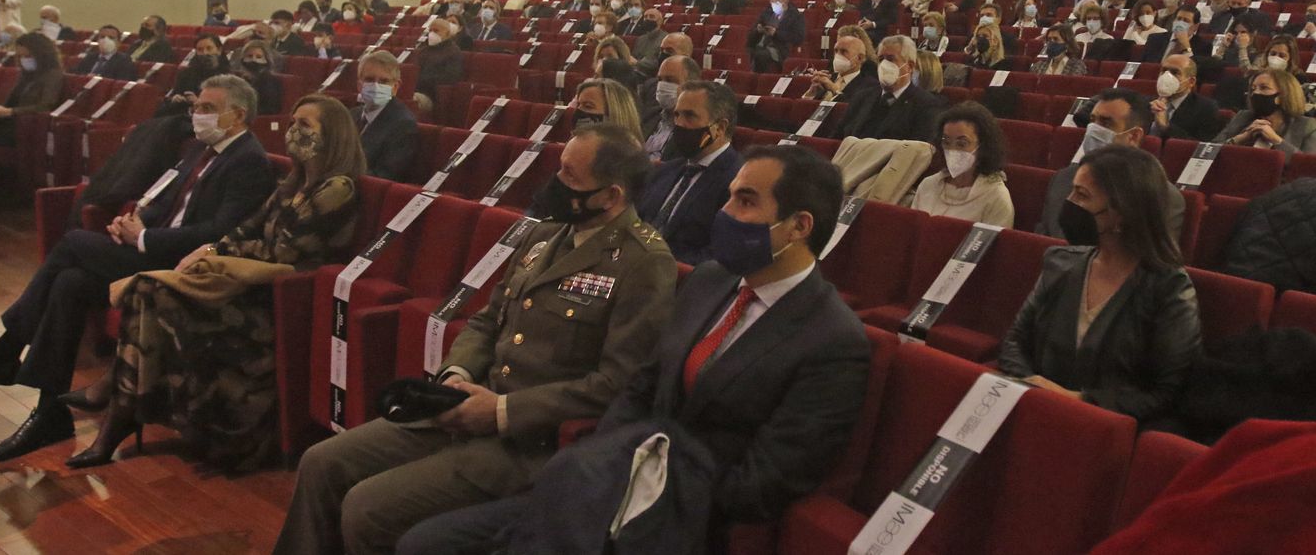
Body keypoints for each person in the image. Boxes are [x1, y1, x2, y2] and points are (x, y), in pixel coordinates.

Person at [397, 145, 870, 555]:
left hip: (681, 517)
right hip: (611, 479)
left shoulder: (832, 341)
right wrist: (606, 464)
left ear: (798, 226)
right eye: (728, 195)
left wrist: (647, 486)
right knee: (425, 544)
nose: (724, 213)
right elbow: (644, 383)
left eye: (745, 201)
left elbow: (766, 482)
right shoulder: (712, 280)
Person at [275, 125, 674, 553]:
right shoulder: (544, 236)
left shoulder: (643, 264)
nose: (555, 184)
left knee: (366, 507)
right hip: (468, 405)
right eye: (559, 169)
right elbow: (487, 320)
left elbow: (615, 385)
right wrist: (455, 375)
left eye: (570, 177)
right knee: (321, 462)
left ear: (611, 197)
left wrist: (501, 411)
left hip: (528, 442)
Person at [65, 96, 364, 471]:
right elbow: (250, 227)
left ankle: (122, 409)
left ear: (332, 135)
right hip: (247, 283)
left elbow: (285, 252)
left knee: (151, 290)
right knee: (146, 290)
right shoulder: (294, 181)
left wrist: (216, 255)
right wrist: (213, 247)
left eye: (306, 125)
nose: (293, 131)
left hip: (275, 299)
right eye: (292, 122)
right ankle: (122, 413)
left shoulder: (337, 188)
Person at [0, 75, 275, 462]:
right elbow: (162, 198)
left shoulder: (249, 161)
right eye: (196, 107)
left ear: (238, 115)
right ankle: (48, 411)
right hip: (149, 245)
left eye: (208, 109)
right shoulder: (198, 150)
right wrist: (132, 221)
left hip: (184, 266)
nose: (196, 115)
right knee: (71, 282)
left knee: (73, 242)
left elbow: (219, 233)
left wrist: (144, 239)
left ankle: (9, 344)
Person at [1003, 145, 1200, 425]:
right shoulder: (1061, 263)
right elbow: (1014, 341)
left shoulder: (1168, 288)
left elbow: (1168, 393)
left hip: (1106, 429)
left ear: (1122, 211)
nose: (1069, 203)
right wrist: (1029, 386)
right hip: (1034, 410)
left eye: (1082, 196)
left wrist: (1078, 401)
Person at [1037, 88, 1185, 240]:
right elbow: (1042, 241)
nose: (1093, 129)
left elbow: (1152, 259)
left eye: (1106, 123)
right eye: (1093, 121)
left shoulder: (1162, 198)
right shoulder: (1063, 178)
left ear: (1133, 136)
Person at [636, 82, 744, 265]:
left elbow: (718, 255)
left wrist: (656, 265)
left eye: (690, 116)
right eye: (677, 114)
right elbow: (637, 222)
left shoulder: (737, 182)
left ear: (720, 128)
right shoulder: (665, 171)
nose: (679, 123)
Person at [911, 102, 1014, 227]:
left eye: (962, 144)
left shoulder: (996, 198)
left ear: (983, 147)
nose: (952, 150)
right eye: (946, 142)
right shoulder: (928, 185)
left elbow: (991, 245)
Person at [828, 35, 944, 141]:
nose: (884, 65)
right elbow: (836, 139)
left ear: (909, 66)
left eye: (890, 59)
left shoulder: (926, 105)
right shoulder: (862, 97)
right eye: (880, 59)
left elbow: (916, 153)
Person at [1214, 69, 1316, 162]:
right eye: (1253, 89)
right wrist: (1240, 138)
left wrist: (1276, 141)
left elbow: (1311, 166)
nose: (1255, 93)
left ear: (1283, 95)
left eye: (1264, 88)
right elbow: (1208, 151)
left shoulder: (1306, 125)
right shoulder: (1243, 116)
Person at [352, 51, 419, 183]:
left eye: (384, 81)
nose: (376, 86)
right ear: (360, 85)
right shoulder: (351, 114)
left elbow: (385, 176)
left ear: (395, 87)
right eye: (370, 80)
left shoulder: (403, 125)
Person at [0, 32, 64, 148]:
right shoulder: (26, 75)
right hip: (9, 121)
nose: (24, 60)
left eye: (27, 56)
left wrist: (11, 112)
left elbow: (45, 106)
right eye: (20, 56)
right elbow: (11, 103)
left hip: (25, 128)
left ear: (41, 55)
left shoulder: (53, 75)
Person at [1152, 53, 1221, 141]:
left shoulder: (1205, 108)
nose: (1166, 76)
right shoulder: (1147, 103)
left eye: (1175, 72)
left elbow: (1199, 147)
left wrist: (1166, 127)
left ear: (1191, 82)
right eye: (1164, 70)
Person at [643, 55, 701, 159]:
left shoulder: (697, 126)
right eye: (660, 80)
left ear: (692, 85)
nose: (662, 85)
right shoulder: (647, 116)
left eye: (670, 80)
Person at [805, 31, 878, 102]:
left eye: (843, 51)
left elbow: (854, 110)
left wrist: (835, 90)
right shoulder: (827, 78)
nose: (838, 55)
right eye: (836, 51)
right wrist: (811, 92)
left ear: (859, 58)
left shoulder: (870, 85)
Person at [749, 0, 806, 73]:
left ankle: (759, 80)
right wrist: (758, 30)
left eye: (776, 1)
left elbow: (798, 38)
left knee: (760, 55)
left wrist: (776, 33)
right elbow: (755, 28)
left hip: (780, 48)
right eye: (771, 0)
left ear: (786, 0)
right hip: (762, 43)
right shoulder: (768, 11)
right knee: (746, 51)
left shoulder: (796, 16)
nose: (772, 3)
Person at [414, 18, 464, 114]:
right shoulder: (423, 51)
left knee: (409, 101)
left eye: (436, 31)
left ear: (447, 33)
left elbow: (451, 78)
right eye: (430, 30)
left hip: (432, 96)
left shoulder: (453, 52)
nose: (432, 33)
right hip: (416, 90)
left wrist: (423, 80)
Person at [571, 78, 644, 141]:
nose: (579, 110)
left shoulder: (628, 155)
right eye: (578, 105)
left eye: (588, 106)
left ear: (614, 113)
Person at [1141, 6, 1210, 62]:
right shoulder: (1155, 39)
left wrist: (1187, 48)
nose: (1180, 23)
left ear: (1195, 26)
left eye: (1186, 21)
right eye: (1178, 19)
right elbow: (1144, 65)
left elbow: (1196, 71)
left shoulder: (1203, 46)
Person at [234, 40, 284, 115]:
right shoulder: (239, 79)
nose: (254, 60)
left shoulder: (270, 81)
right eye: (249, 56)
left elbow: (270, 109)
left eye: (259, 57)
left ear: (267, 60)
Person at [71, 24, 138, 80]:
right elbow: (76, 73)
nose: (105, 40)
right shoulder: (90, 57)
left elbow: (120, 82)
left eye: (111, 38)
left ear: (118, 43)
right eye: (102, 37)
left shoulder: (124, 61)